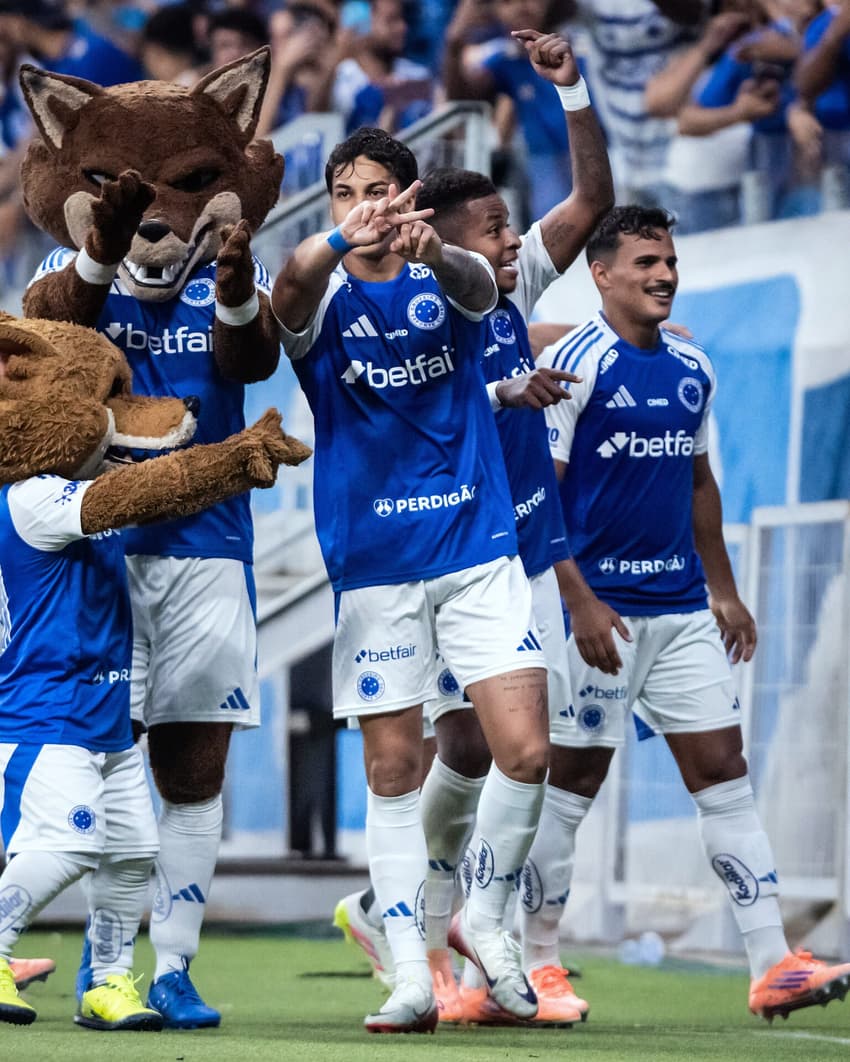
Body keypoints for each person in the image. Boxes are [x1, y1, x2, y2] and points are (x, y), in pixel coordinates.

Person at [535, 203, 850, 1021]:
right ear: (601, 275)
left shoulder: (691, 364)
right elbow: (545, 500)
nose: (664, 275)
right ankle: (537, 962)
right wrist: (579, 602)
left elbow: (699, 481)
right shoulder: (575, 364)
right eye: (645, 263)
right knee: (570, 784)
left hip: (679, 610)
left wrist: (725, 587)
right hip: (601, 617)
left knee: (723, 775)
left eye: (669, 261)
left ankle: (772, 963)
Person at [271, 125, 550, 1033]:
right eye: (346, 190)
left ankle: (487, 920)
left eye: (379, 188)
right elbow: (284, 294)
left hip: (476, 551)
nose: (364, 204)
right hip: (377, 568)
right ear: (331, 204)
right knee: (394, 771)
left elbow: (481, 291)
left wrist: (446, 248)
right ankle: (407, 974)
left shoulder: (449, 275)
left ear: (412, 196)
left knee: (527, 752)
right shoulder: (322, 298)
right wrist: (337, 240)